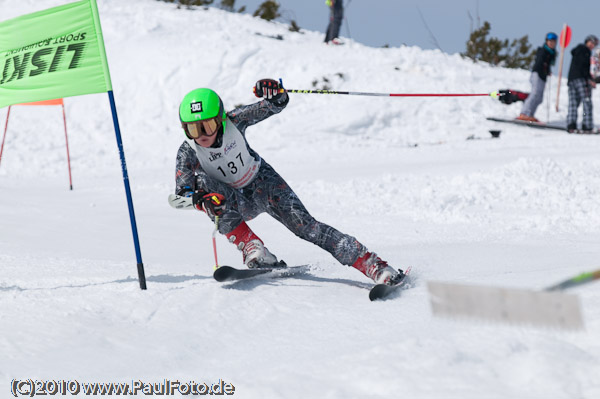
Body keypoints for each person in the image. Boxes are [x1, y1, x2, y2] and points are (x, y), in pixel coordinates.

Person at [174, 79, 405, 285]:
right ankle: (252, 247)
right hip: (234, 201)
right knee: (202, 184)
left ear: (221, 120)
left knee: (308, 228)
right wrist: (199, 201)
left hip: (264, 185)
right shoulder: (188, 152)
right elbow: (178, 198)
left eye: (209, 126)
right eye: (193, 128)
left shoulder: (236, 120)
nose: (202, 134)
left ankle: (372, 264)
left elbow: (275, 104)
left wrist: (275, 93)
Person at [517, 32, 557, 122]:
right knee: (534, 94)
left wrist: (547, 71)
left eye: (553, 41)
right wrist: (545, 69)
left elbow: (548, 64)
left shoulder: (551, 53)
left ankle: (530, 114)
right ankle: (524, 113)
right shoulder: (543, 51)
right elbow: (540, 63)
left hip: (543, 77)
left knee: (539, 98)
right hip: (537, 74)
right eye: (550, 41)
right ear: (546, 41)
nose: (551, 43)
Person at [566, 34, 598, 133]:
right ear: (587, 41)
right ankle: (587, 125)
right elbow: (583, 67)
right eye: (592, 43)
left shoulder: (577, 50)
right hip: (581, 79)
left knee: (573, 103)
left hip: (572, 79)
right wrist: (589, 79)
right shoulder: (585, 51)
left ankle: (571, 124)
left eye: (595, 44)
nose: (593, 46)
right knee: (586, 101)